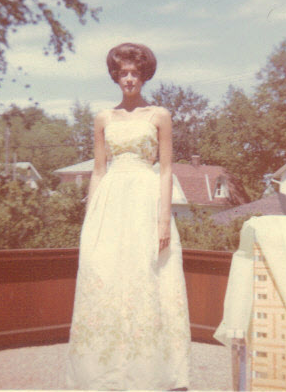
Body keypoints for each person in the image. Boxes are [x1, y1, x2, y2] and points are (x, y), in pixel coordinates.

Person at [66, 43, 191, 390]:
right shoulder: (103, 118)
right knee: (105, 275)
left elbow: (166, 170)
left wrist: (163, 220)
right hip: (110, 203)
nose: (129, 79)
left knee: (147, 277)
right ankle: (104, 372)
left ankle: (150, 371)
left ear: (144, 75)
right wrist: (90, 219)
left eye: (135, 72)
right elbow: (98, 170)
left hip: (145, 201)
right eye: (123, 73)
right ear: (115, 77)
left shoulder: (159, 116)